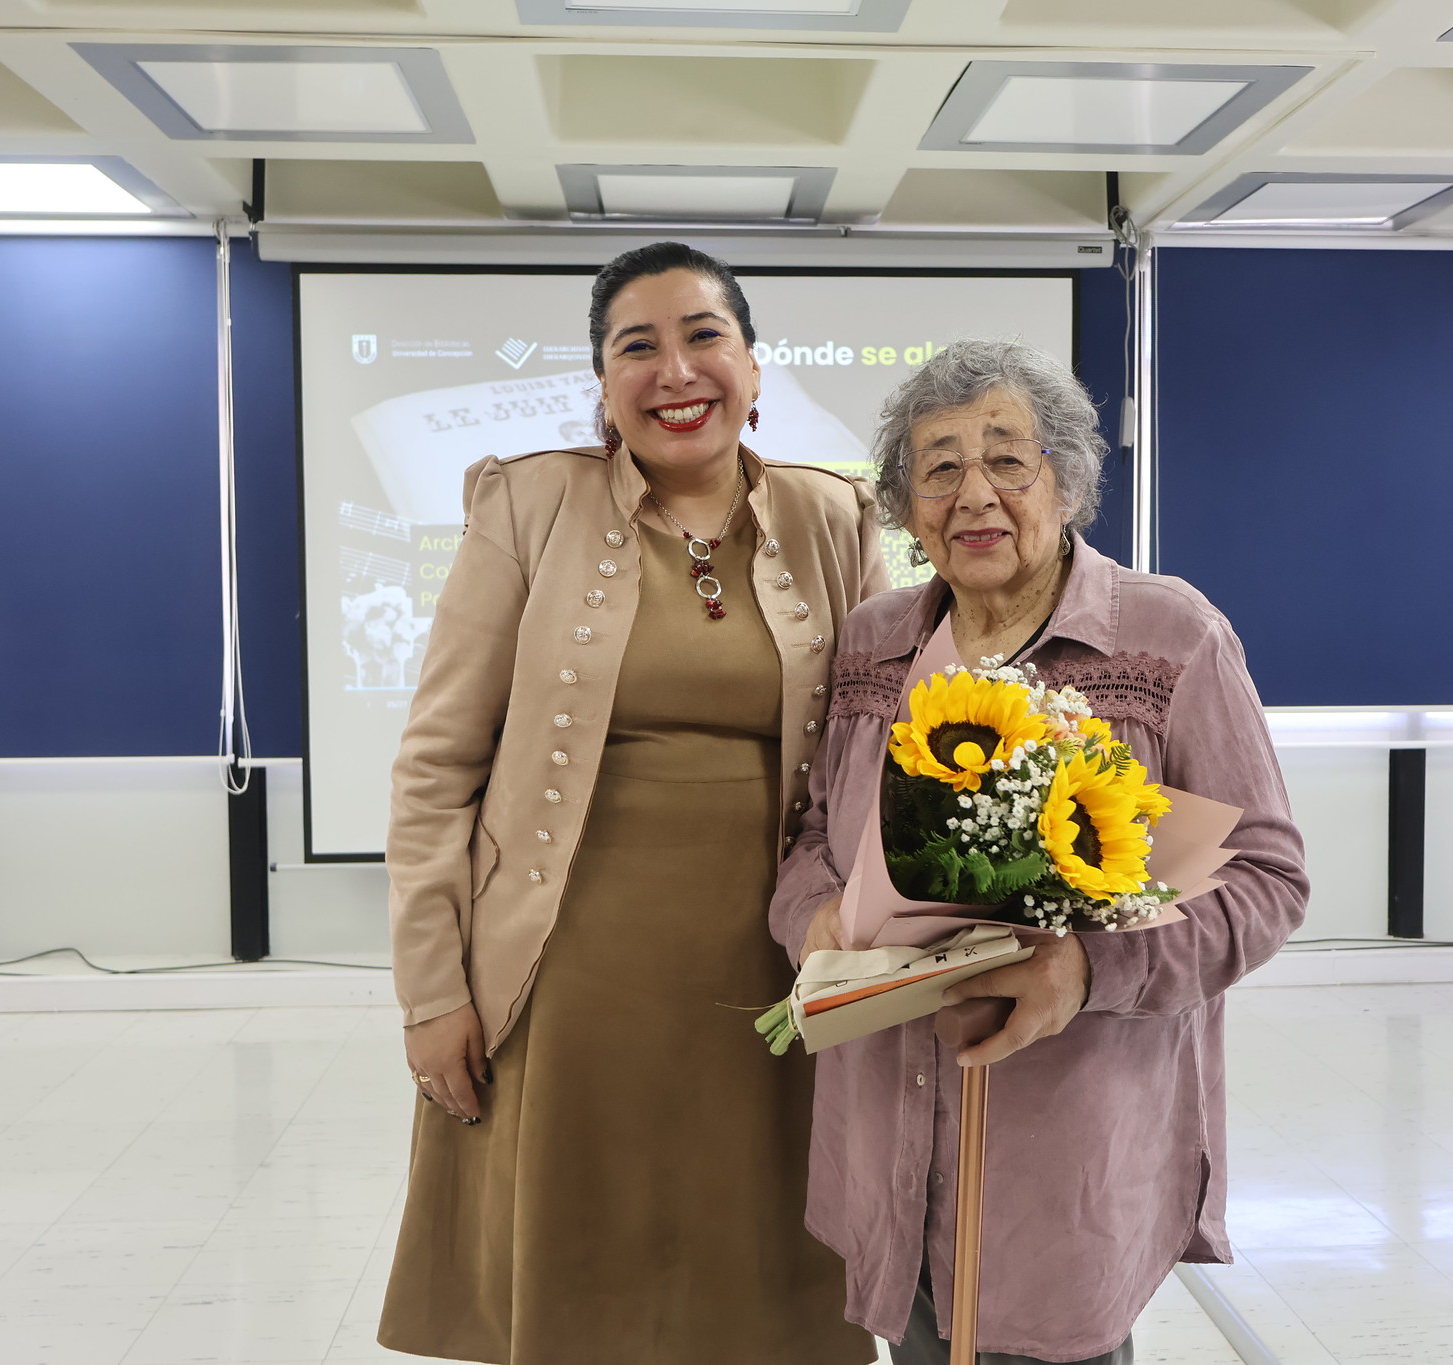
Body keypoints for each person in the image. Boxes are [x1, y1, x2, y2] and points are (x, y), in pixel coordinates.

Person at [378, 241, 885, 1365]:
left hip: (777, 966)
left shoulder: (832, 517)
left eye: (704, 337)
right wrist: (431, 992)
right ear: (603, 385)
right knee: (585, 1276)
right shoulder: (530, 502)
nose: (675, 371)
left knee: (764, 1271)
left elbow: (876, 758)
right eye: (636, 347)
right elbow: (435, 766)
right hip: (566, 973)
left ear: (754, 368)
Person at [771, 339, 1308, 1365]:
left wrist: (1087, 969)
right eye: (938, 468)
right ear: (906, 506)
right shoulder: (872, 641)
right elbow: (811, 837)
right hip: (888, 1123)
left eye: (1007, 460)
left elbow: (1266, 878)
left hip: (1066, 1148)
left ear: (1066, 483)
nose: (973, 494)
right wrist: (815, 920)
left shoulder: (1169, 635)